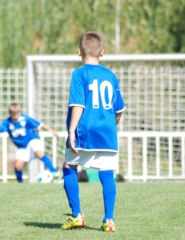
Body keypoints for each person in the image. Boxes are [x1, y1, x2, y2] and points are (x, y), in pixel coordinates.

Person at [61, 32, 125, 232]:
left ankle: (76, 215)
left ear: (79, 51)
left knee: (68, 166)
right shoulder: (111, 76)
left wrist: (71, 130)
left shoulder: (79, 74)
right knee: (107, 173)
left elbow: (78, 104)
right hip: (107, 133)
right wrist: (110, 126)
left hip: (84, 131)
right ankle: (109, 220)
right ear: (102, 52)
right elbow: (119, 110)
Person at [0, 103, 60, 183]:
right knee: (18, 166)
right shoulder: (7, 122)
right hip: (22, 147)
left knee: (39, 153)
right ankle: (20, 184)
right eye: (13, 115)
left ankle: (54, 171)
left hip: (32, 140)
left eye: (17, 114)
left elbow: (40, 124)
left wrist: (52, 131)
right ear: (10, 114)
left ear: (19, 112)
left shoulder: (25, 119)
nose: (15, 116)